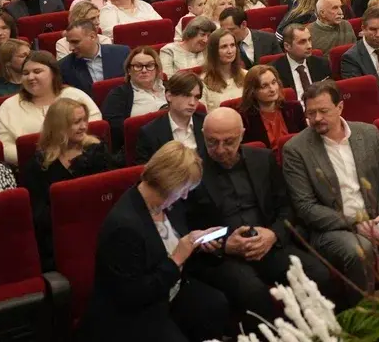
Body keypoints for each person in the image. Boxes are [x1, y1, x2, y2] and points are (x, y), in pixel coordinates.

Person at [185, 107, 331, 320]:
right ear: (202, 136)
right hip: (223, 256)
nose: (220, 149)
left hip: (268, 244)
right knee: (253, 292)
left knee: (318, 274)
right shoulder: (190, 169)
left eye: (229, 142)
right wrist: (225, 245)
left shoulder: (262, 159)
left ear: (242, 135)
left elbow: (286, 206)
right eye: (212, 142)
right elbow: (185, 227)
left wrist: (272, 235)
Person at [80, 140, 231, 342]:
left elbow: (170, 245)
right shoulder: (125, 226)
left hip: (169, 291)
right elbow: (132, 295)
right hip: (134, 312)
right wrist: (177, 258)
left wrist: (195, 242)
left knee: (216, 304)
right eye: (184, 188)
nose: (185, 196)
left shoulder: (167, 204)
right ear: (170, 183)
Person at [281, 79, 379, 294]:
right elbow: (306, 207)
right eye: (311, 113)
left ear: (340, 107)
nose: (317, 118)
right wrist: (356, 224)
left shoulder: (368, 133)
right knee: (360, 250)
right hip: (333, 228)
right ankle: (367, 311)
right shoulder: (296, 149)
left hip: (377, 216)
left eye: (323, 111)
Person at [25, 98, 117, 269]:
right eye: (76, 122)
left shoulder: (97, 151)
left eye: (84, 120)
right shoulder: (39, 165)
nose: (83, 126)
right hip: (61, 236)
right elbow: (38, 215)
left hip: (101, 227)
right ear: (59, 126)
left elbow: (111, 195)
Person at [0, 50, 102, 165]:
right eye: (25, 73)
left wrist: (69, 153)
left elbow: (95, 125)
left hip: (82, 160)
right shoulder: (9, 106)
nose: (30, 77)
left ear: (53, 73)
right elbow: (2, 145)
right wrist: (41, 159)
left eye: (37, 71)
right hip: (33, 167)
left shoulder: (74, 95)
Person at [102, 47, 168, 147]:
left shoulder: (170, 88)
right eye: (138, 66)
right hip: (142, 146)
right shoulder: (118, 95)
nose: (144, 70)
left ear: (157, 69)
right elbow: (116, 131)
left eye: (150, 65)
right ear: (129, 70)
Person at [135, 71, 208, 163]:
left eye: (196, 97)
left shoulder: (206, 123)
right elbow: (147, 170)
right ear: (169, 96)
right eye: (186, 95)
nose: (192, 103)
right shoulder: (150, 133)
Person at [239, 64, 305, 147]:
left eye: (274, 82)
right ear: (253, 91)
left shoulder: (294, 108)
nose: (272, 89)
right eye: (264, 86)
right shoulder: (245, 119)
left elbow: (306, 140)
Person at [59, 20, 129, 95]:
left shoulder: (122, 53)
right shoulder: (64, 67)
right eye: (69, 42)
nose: (70, 48)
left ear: (92, 37)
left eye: (75, 42)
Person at [272, 23, 332, 95]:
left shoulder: (322, 64)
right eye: (302, 42)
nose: (309, 46)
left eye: (309, 40)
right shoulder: (274, 72)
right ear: (287, 46)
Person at [201, 28, 247, 109]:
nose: (230, 51)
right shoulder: (203, 83)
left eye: (232, 45)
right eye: (224, 47)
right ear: (214, 51)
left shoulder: (247, 76)